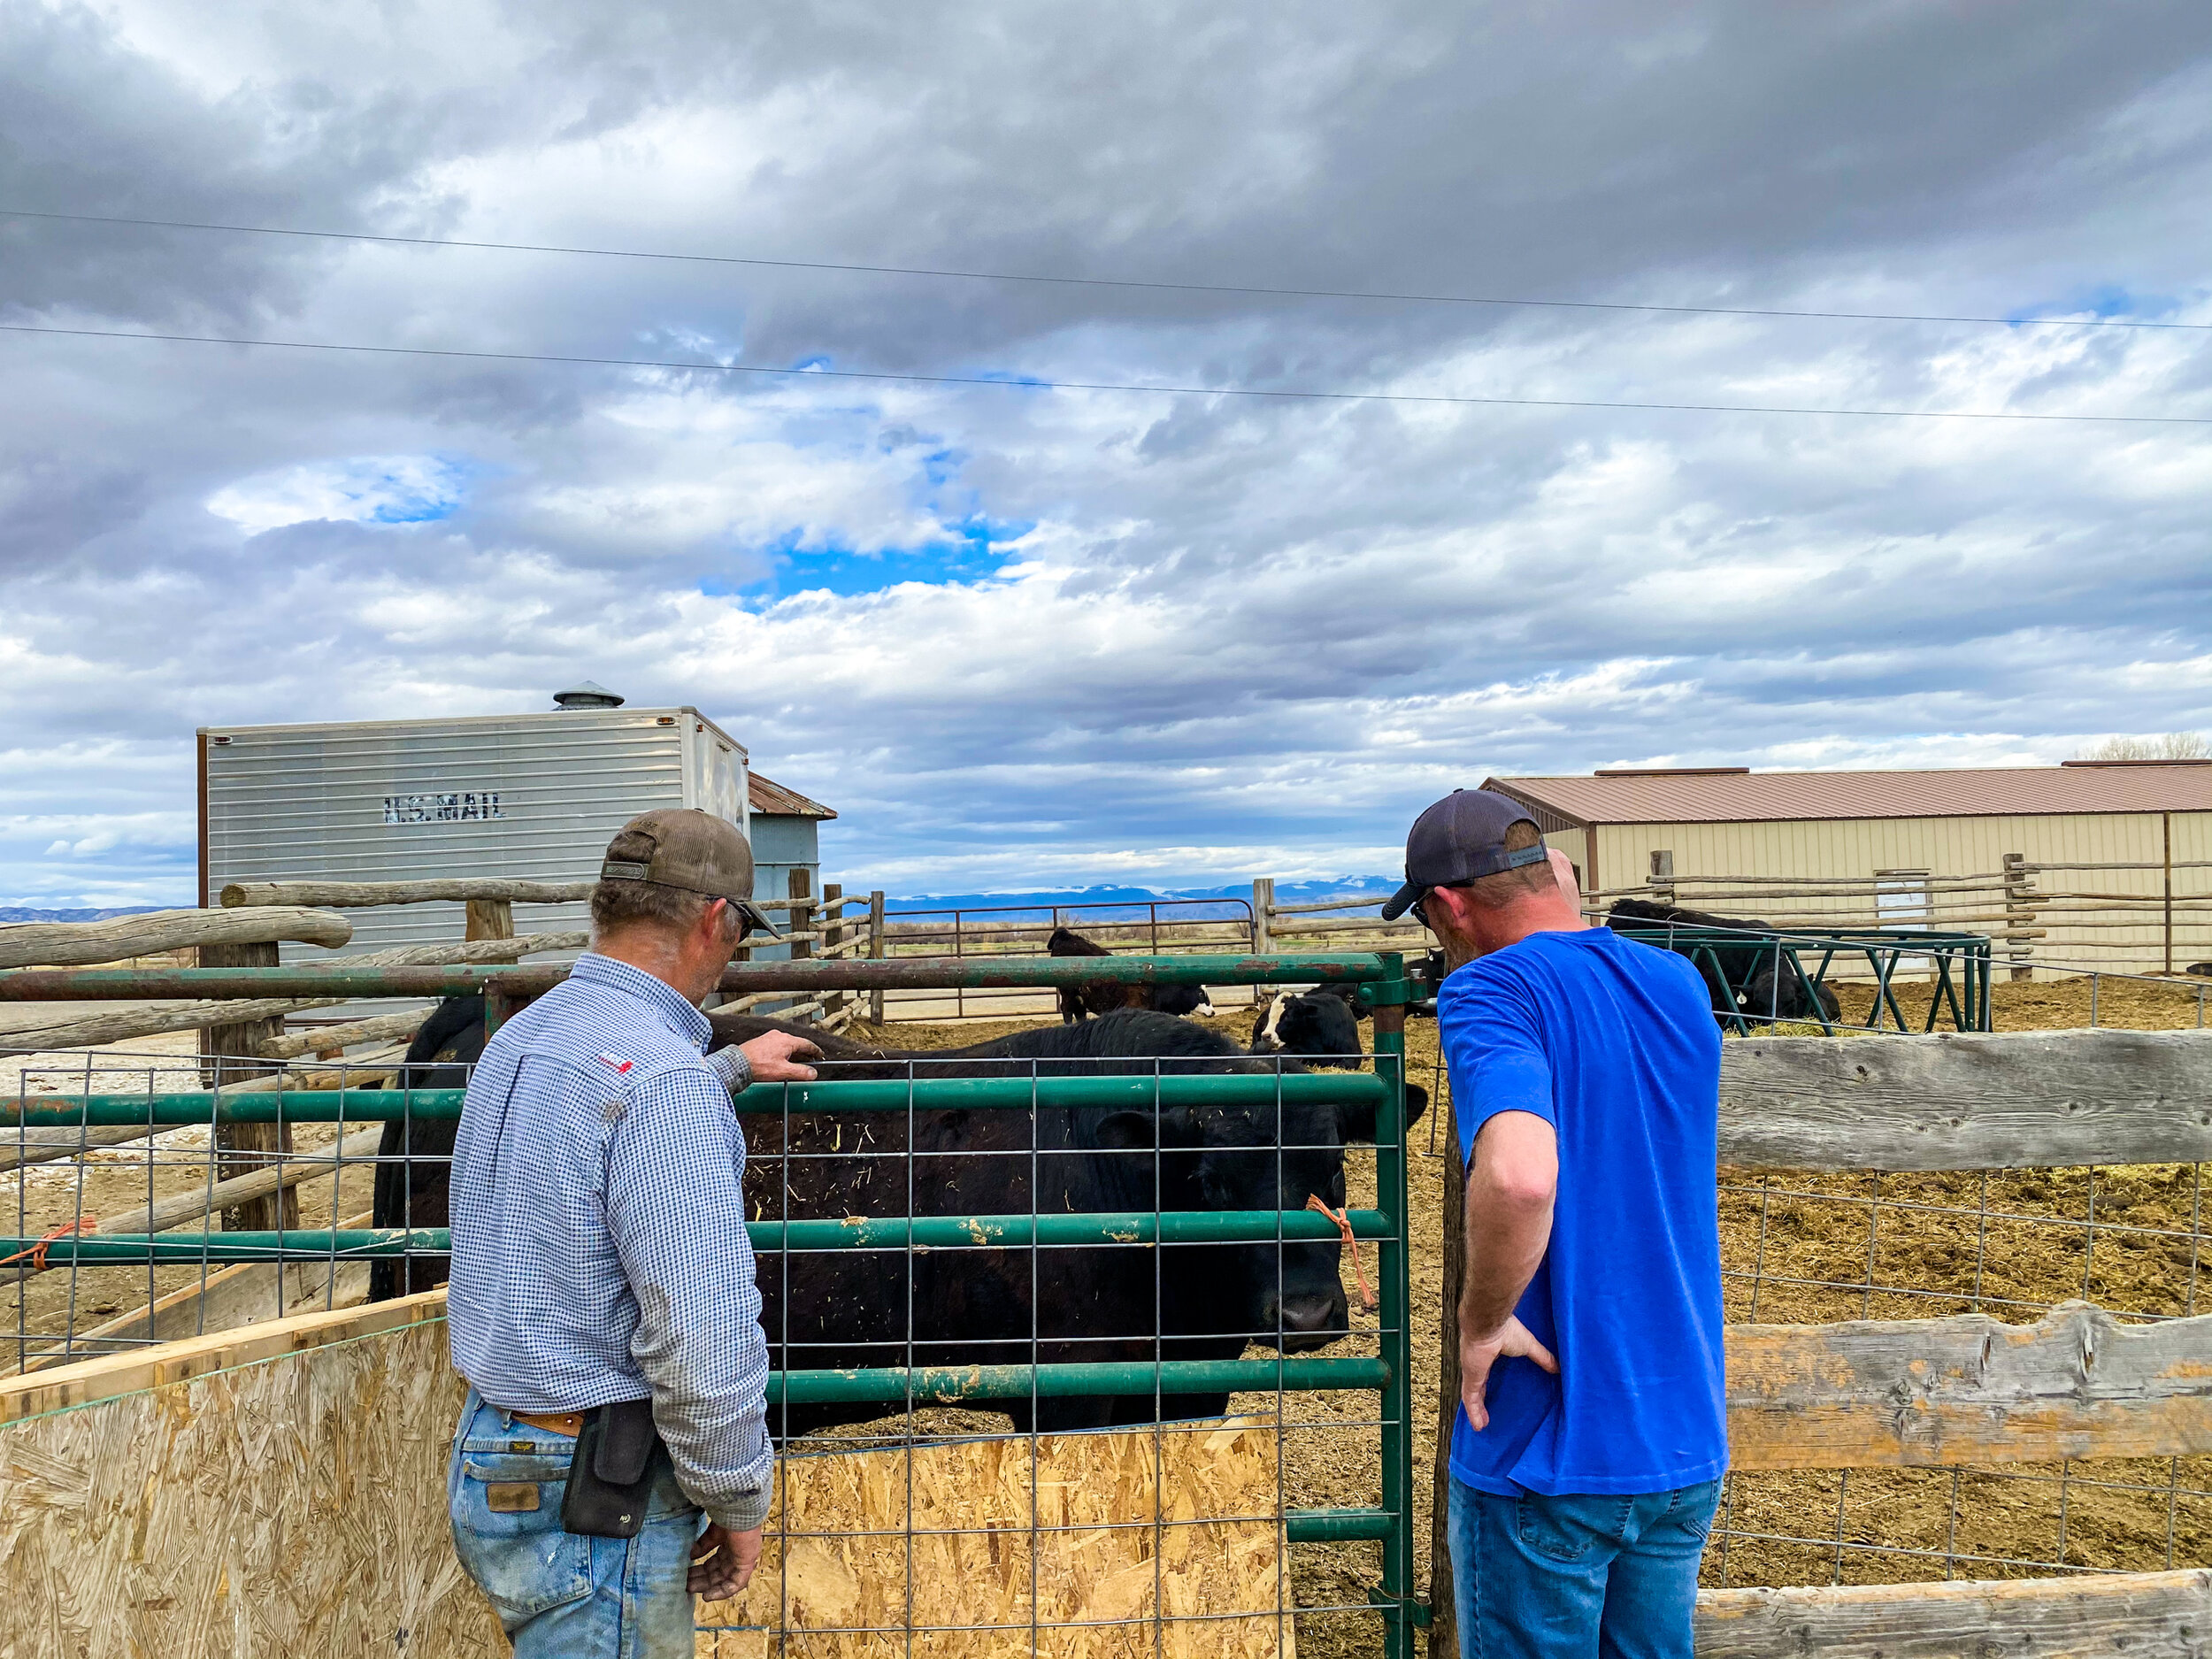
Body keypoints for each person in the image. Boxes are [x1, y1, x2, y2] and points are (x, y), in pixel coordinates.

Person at [444, 808, 822, 1656]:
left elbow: (594, 1123)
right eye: (739, 935)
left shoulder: (522, 1036)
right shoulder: (660, 1084)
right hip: (597, 1488)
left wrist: (724, 1067)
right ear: (714, 919)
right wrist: (737, 1497)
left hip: (495, 1446)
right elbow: (698, 1332)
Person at [1380, 789, 1726, 1659]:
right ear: (1552, 873)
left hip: (1551, 1447)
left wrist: (1481, 1323)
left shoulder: (1489, 989)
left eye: (1427, 918)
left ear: (1448, 905)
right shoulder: (1676, 983)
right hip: (1681, 1436)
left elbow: (1522, 1176)